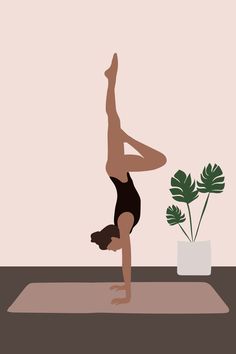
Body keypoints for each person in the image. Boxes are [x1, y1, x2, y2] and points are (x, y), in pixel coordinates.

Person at [91, 53, 167, 305]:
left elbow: (128, 260)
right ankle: (110, 80)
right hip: (117, 171)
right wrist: (123, 286)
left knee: (158, 159)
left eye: (112, 248)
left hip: (118, 170)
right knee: (113, 118)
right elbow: (126, 257)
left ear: (114, 238)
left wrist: (128, 293)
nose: (116, 251)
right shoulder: (122, 225)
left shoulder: (124, 225)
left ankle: (126, 134)